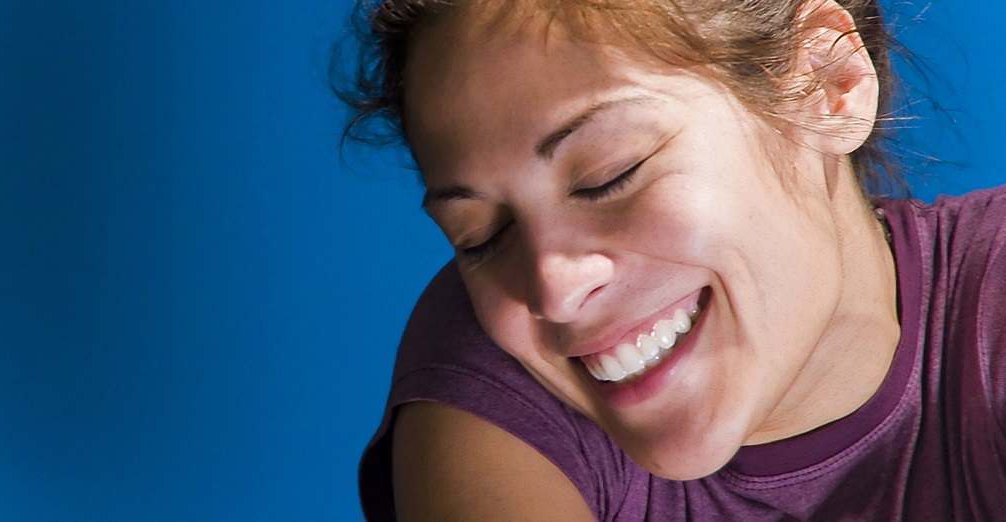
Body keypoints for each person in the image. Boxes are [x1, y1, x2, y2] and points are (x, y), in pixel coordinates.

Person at [337, 0, 1006, 519]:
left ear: (828, 83)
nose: (554, 291)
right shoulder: (492, 375)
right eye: (481, 236)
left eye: (608, 175)